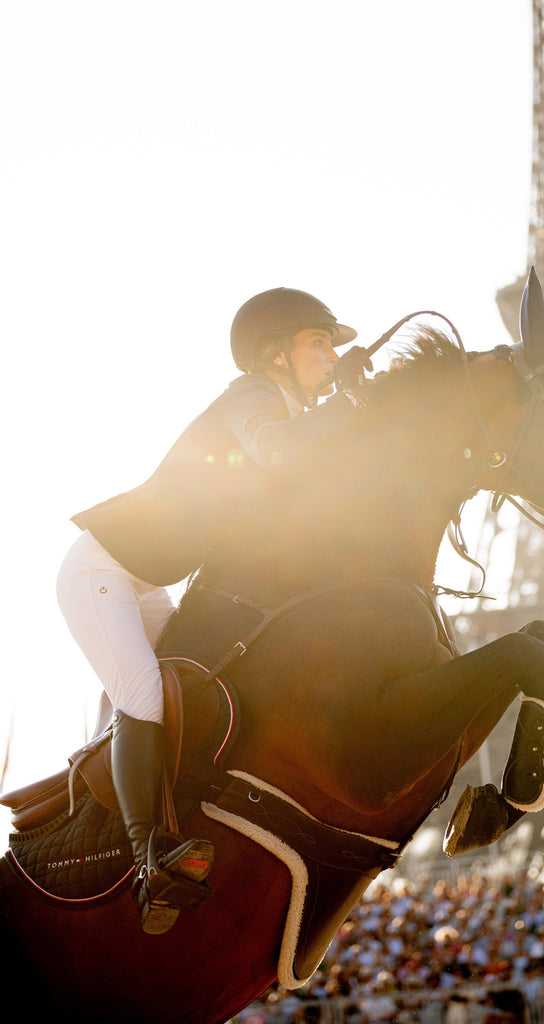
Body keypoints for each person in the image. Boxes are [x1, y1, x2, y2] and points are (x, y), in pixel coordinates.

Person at [56, 287, 372, 933]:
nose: (332, 355)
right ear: (275, 355)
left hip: (143, 584)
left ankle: (113, 792)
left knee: (181, 683)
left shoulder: (283, 408)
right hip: (101, 570)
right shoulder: (253, 398)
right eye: (320, 343)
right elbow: (283, 453)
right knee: (144, 695)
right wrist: (349, 401)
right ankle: (149, 855)